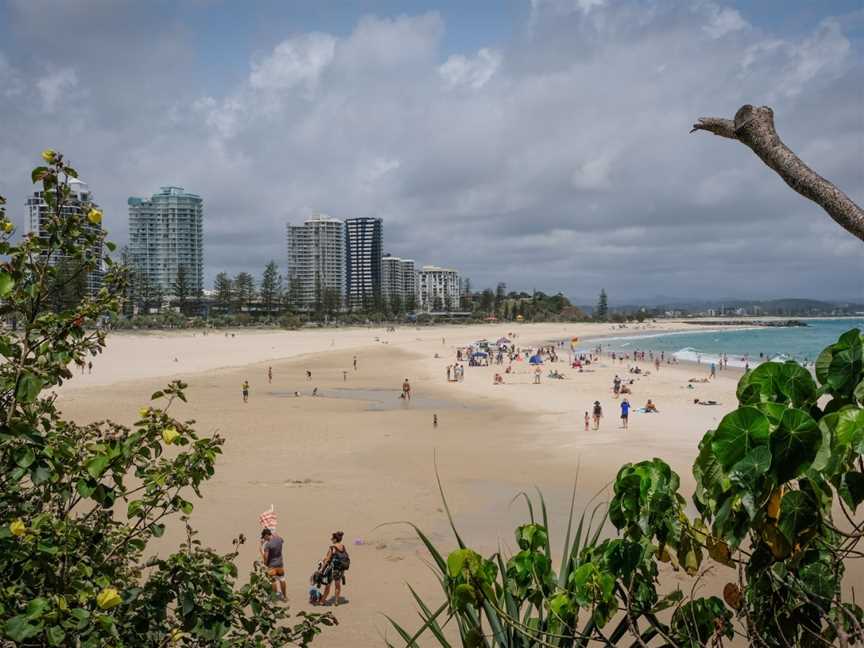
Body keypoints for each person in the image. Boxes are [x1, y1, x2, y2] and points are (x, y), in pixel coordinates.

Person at [319, 531, 349, 606]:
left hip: (332, 569)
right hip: (340, 569)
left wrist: (321, 569)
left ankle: (322, 601)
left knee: (328, 585)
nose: (331, 539)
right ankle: (336, 601)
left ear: (335, 539)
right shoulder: (343, 546)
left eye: (332, 538)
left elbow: (327, 559)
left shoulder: (332, 548)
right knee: (337, 585)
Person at [260, 528, 286, 600]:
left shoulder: (268, 545)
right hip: (280, 564)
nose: (264, 539)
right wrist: (274, 535)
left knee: (273, 581)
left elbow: (266, 557)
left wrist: (265, 563)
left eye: (264, 537)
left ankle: (274, 597)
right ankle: (284, 597)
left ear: (266, 535)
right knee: (282, 579)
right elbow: (282, 540)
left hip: (272, 565)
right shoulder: (279, 539)